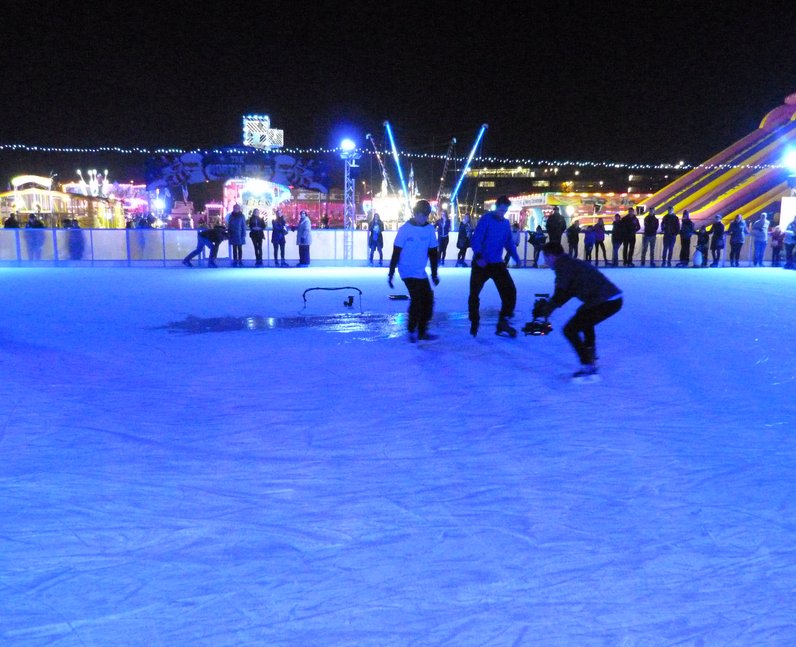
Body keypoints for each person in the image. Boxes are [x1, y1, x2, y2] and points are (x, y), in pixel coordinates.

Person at [536, 241, 623, 380]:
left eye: (546, 257)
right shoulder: (570, 263)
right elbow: (566, 293)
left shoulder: (563, 267)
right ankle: (591, 355)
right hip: (612, 299)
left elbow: (561, 294)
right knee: (583, 315)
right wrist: (549, 308)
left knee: (570, 329)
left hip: (607, 300)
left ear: (551, 256)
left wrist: (546, 310)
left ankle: (588, 365)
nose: (546, 261)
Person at [468, 195, 521, 338]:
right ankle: (474, 321)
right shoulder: (486, 220)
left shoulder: (505, 224)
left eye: (504, 211)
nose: (502, 213)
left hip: (497, 264)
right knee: (474, 294)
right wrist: (478, 256)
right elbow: (476, 239)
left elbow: (508, 242)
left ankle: (503, 321)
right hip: (482, 264)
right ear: (496, 207)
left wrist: (516, 257)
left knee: (510, 292)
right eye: (500, 210)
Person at [387, 199, 440, 342]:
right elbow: (396, 252)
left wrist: (434, 273)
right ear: (415, 214)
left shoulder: (429, 229)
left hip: (420, 271)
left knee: (428, 300)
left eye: (426, 216)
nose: (423, 218)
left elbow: (433, 253)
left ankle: (422, 330)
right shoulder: (405, 230)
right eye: (421, 215)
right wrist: (391, 273)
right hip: (406, 270)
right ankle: (411, 330)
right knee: (417, 299)